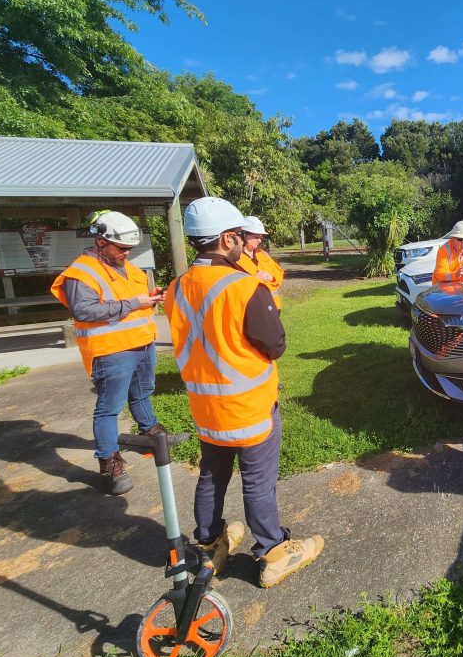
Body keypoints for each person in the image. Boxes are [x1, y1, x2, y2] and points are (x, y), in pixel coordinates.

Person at [164, 197, 324, 587]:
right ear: (224, 239)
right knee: (257, 482)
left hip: (206, 408)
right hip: (249, 407)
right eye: (237, 235)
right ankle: (272, 552)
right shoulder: (244, 286)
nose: (242, 242)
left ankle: (207, 546)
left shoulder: (176, 288)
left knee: (211, 476)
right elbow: (275, 345)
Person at [51, 210, 178, 495]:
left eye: (129, 248)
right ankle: (110, 464)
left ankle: (151, 433)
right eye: (121, 248)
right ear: (100, 241)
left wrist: (153, 297)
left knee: (143, 393)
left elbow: (134, 300)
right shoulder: (81, 273)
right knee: (109, 408)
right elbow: (83, 310)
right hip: (111, 351)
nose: (126, 253)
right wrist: (134, 303)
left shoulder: (128, 267)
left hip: (142, 343)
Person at [236, 215, 285, 310]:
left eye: (261, 237)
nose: (259, 240)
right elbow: (233, 287)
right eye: (256, 237)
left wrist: (272, 278)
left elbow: (279, 273)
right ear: (244, 235)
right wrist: (254, 280)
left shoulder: (263, 254)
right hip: (252, 309)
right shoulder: (235, 258)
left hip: (274, 306)